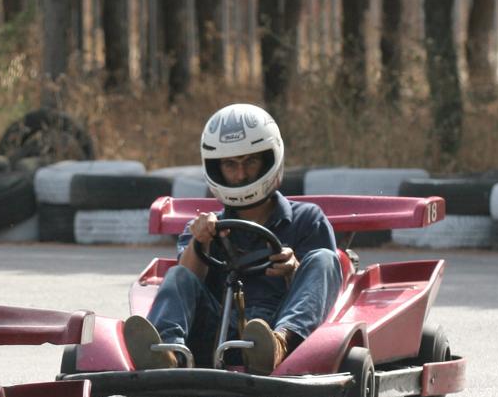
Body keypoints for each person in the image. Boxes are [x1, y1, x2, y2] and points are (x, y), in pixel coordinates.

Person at [124, 103, 342, 374]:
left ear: (269, 159)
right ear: (217, 169)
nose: (241, 175)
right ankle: (168, 354)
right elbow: (187, 279)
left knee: (324, 259)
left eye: (250, 161)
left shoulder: (307, 219)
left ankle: (276, 347)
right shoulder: (202, 226)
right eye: (230, 165)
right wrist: (201, 241)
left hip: (282, 327)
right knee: (177, 275)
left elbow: (324, 288)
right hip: (216, 330)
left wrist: (293, 270)